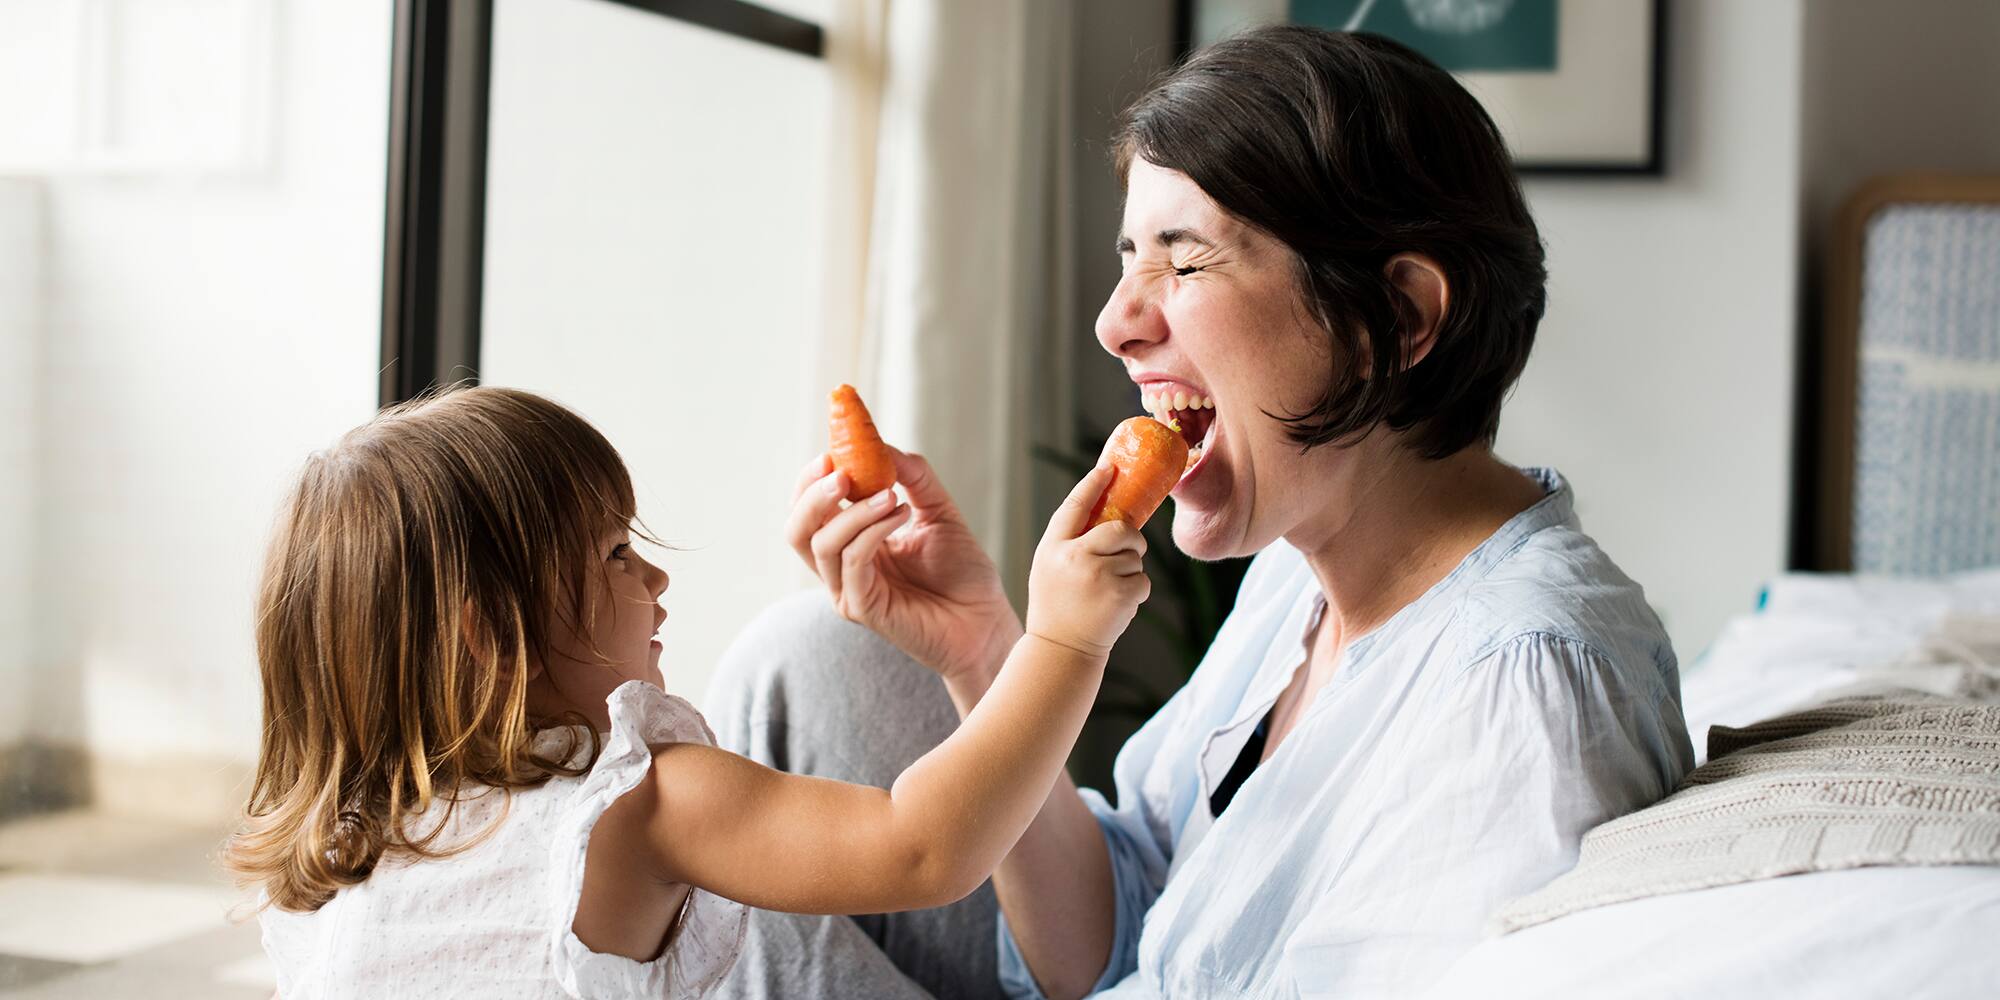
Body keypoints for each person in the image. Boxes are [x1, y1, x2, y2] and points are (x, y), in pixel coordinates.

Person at [712, 25, 1695, 999]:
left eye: (1181, 262)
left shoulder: (1516, 695)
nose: (1114, 323)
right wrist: (982, 649)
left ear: (1395, 320)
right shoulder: (1298, 575)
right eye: (1129, 255)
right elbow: (1112, 933)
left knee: (687, 904)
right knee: (814, 655)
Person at [223, 386, 1151, 998]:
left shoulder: (339, 850)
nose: (655, 581)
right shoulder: (637, 805)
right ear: (486, 634)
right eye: (617, 554)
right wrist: (1065, 640)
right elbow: (924, 848)